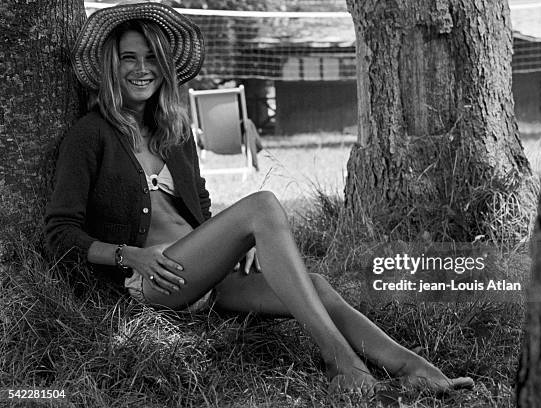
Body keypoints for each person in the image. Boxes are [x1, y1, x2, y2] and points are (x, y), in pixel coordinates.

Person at [44, 1, 474, 397]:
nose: (142, 69)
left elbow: (201, 208)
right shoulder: (90, 135)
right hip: (149, 285)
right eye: (129, 58)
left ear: (166, 67)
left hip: (205, 279)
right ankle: (343, 364)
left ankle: (413, 367)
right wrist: (130, 256)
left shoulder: (174, 134)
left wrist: (232, 245)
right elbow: (60, 232)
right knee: (263, 203)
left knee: (316, 286)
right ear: (110, 67)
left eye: (152, 57)